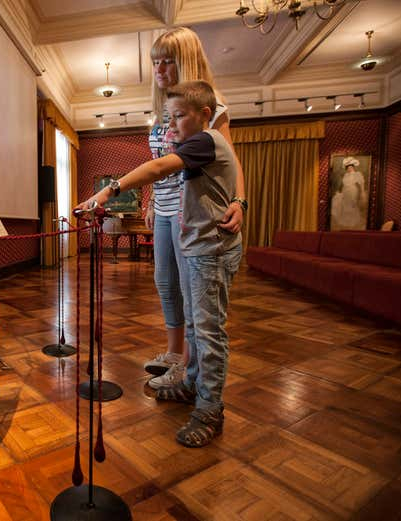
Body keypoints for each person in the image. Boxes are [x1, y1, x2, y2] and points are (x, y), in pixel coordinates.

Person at [77, 80, 242, 448]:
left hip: (211, 251)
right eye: (169, 118)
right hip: (201, 247)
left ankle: (209, 409)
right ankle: (191, 385)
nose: (172, 126)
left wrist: (108, 190)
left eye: (179, 117)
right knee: (198, 329)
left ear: (204, 115)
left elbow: (158, 167)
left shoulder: (206, 140)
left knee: (208, 332)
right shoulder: (197, 144)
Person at [142, 27, 247, 390]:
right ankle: (174, 353)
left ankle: (188, 367)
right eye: (154, 62)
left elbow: (230, 158)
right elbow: (158, 162)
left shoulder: (207, 104)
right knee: (165, 282)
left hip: (193, 211)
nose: (158, 68)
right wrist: (152, 200)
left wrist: (239, 200)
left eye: (167, 61)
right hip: (166, 208)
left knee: (191, 289)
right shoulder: (162, 109)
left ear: (185, 61)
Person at [331, 156, 367, 230]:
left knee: (351, 205)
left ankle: (352, 221)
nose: (349, 169)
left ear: (353, 167)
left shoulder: (357, 174)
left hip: (353, 191)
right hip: (345, 191)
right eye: (347, 168)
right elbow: (343, 184)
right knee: (344, 204)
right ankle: (346, 221)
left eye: (350, 167)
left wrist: (362, 192)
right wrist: (340, 192)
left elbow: (361, 183)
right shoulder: (346, 175)